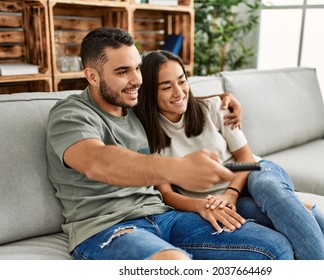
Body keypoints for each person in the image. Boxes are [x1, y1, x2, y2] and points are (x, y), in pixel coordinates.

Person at [46, 27, 296, 260]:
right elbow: (97, 161)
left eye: (138, 68)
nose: (137, 80)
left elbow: (175, 99)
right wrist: (176, 168)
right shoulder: (72, 115)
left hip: (166, 217)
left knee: (276, 248)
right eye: (123, 72)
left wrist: (223, 97)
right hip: (107, 229)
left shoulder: (135, 110)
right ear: (91, 75)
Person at [134, 50, 324, 260]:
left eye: (182, 81)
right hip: (221, 199)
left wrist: (231, 193)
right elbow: (166, 193)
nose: (178, 92)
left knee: (267, 186)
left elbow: (246, 158)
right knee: (316, 218)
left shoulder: (215, 107)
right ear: (149, 92)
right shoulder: (146, 134)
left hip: (254, 172)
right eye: (166, 87)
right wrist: (203, 204)